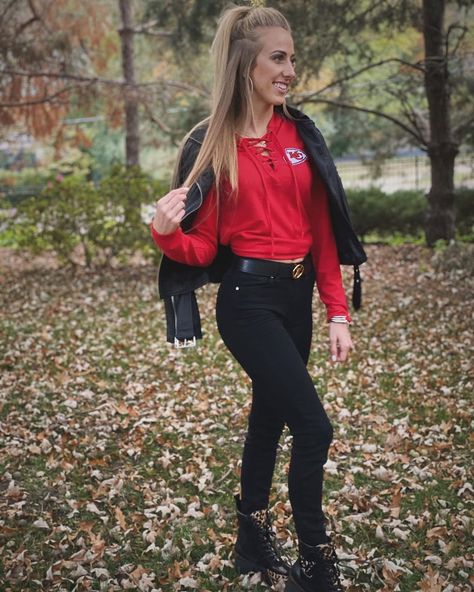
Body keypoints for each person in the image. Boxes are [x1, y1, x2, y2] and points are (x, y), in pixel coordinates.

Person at [150, 6, 367, 592]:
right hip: (247, 301)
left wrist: (337, 311)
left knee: (271, 418)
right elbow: (201, 246)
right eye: (279, 57)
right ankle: (317, 564)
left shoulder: (299, 134)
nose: (290, 69)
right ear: (246, 63)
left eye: (292, 58)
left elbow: (321, 231)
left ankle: (251, 537)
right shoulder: (212, 143)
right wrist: (165, 232)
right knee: (313, 428)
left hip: (297, 299)